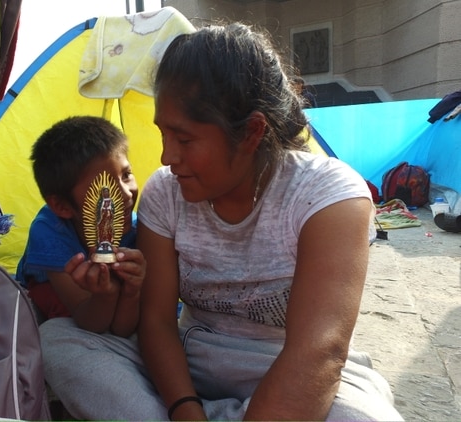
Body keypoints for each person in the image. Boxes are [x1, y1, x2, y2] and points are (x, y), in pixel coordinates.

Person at [132, 23, 402, 421]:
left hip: (289, 363)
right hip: (193, 358)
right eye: (162, 134)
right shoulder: (164, 192)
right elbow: (155, 320)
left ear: (252, 132)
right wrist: (185, 410)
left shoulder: (327, 196)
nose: (166, 157)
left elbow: (319, 350)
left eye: (184, 139)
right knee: (66, 343)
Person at [16, 116, 144, 334]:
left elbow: (123, 330)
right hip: (51, 292)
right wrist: (107, 294)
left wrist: (132, 290)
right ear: (62, 206)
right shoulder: (49, 232)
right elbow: (91, 322)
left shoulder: (138, 230)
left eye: (126, 175)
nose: (124, 194)